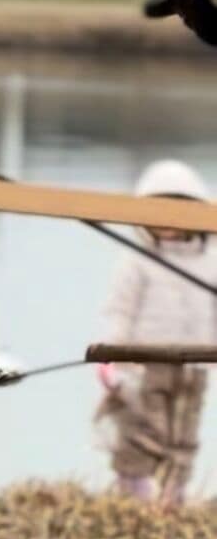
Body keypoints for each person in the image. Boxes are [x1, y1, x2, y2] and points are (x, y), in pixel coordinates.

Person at [96, 160, 217, 505]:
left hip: (196, 364)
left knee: (184, 432)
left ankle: (172, 493)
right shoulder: (137, 260)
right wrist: (112, 356)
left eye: (175, 211)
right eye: (156, 211)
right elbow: (121, 310)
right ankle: (134, 489)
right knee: (141, 428)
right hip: (145, 363)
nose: (166, 222)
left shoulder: (212, 260)